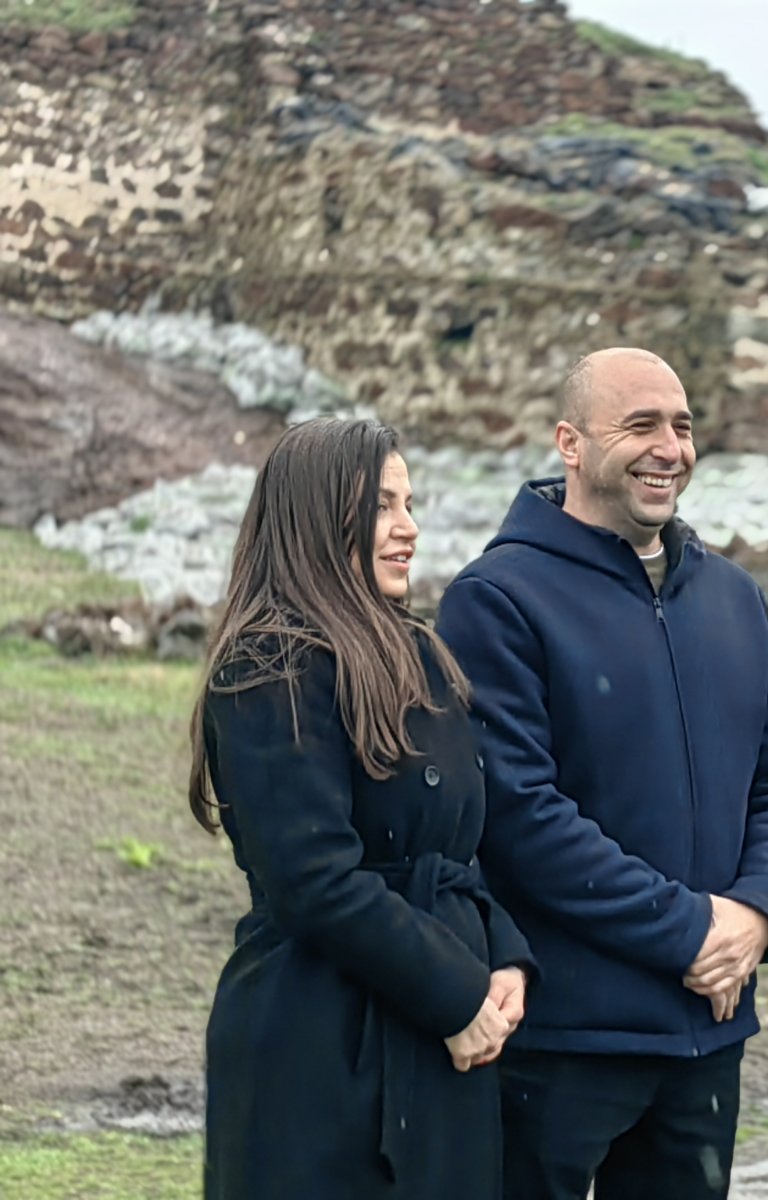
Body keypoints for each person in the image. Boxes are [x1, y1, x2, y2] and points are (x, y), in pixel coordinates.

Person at [434, 347, 768, 1200]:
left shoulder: (733, 597)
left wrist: (759, 916)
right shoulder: (495, 600)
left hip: (708, 1032)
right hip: (563, 1041)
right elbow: (520, 815)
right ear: (569, 444)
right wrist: (692, 932)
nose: (669, 448)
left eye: (682, 426)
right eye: (640, 425)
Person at [189, 417, 536, 1200]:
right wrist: (456, 995)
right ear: (315, 516)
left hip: (439, 1040)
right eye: (381, 506)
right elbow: (311, 878)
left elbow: (456, 847)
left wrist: (504, 957)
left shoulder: (419, 654)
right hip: (322, 1045)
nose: (408, 528)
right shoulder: (268, 667)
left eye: (409, 504)